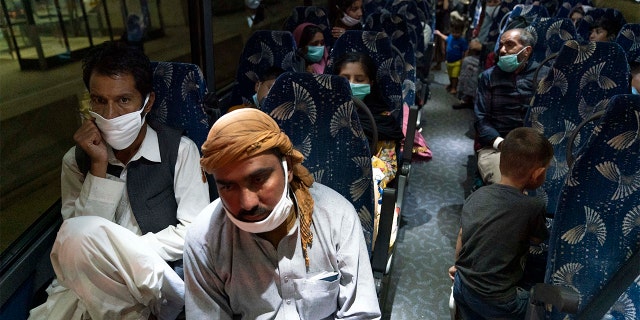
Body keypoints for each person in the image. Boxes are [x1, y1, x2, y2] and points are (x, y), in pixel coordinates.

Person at [28, 41, 210, 320]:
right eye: (100, 101)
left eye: (123, 100)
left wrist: (120, 255)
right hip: (90, 279)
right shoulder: (76, 160)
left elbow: (193, 232)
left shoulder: (179, 151)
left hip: (154, 273)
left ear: (147, 102)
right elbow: (75, 242)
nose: (110, 115)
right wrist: (98, 166)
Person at [183, 108, 381, 319]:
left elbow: (360, 313)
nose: (247, 203)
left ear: (288, 169)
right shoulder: (203, 240)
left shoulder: (337, 216)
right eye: (228, 187)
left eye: (258, 179)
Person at [449, 127, 552, 319]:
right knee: (540, 304)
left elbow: (463, 234)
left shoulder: (476, 195)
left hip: (462, 287)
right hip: (501, 302)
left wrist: (458, 267)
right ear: (537, 174)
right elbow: (538, 240)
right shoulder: (533, 206)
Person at [475, 28, 546, 185]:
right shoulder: (488, 77)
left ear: (526, 51)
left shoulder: (545, 77)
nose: (502, 50)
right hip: (498, 146)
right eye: (501, 45)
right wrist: (502, 143)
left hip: (536, 147)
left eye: (509, 45)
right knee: (509, 187)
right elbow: (481, 119)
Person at [434, 20, 469, 95]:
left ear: (461, 32)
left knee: (455, 76)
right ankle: (451, 85)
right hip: (449, 61)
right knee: (450, 75)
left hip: (457, 62)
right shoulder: (451, 37)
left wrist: (464, 59)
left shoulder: (462, 41)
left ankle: (454, 88)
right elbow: (445, 38)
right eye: (453, 32)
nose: (455, 34)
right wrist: (439, 34)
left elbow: (466, 50)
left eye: (457, 33)